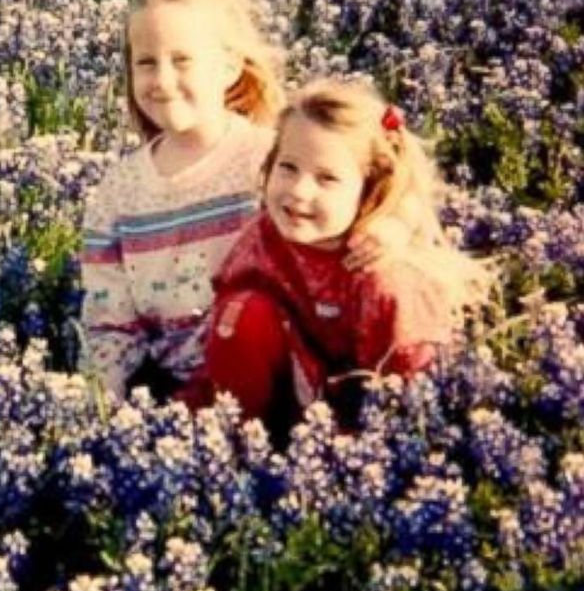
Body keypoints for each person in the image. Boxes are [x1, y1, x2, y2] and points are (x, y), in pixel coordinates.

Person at [79, 0, 413, 402]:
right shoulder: (118, 192)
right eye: (145, 62)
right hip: (183, 391)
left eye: (182, 60)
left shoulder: (272, 157)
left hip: (290, 368)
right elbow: (109, 320)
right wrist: (100, 403)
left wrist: (394, 225)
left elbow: (369, 180)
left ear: (229, 67)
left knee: (251, 314)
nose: (162, 79)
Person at [191, 77, 494, 429]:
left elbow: (409, 368)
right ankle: (235, 436)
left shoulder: (380, 267)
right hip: (295, 390)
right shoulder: (265, 235)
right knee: (240, 312)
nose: (299, 191)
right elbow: (229, 319)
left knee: (388, 295)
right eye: (288, 168)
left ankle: (368, 446)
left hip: (365, 412)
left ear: (368, 189)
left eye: (327, 179)